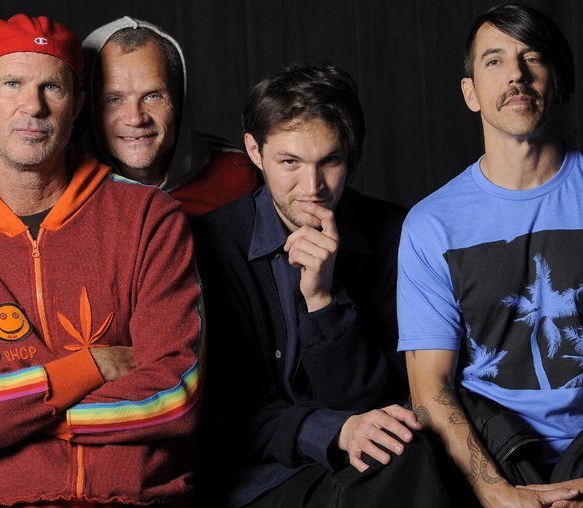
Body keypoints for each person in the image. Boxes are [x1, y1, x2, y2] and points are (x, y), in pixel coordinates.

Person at [0, 14, 202, 507]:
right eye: (12, 84)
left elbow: (175, 398)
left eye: (52, 86)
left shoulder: (149, 218)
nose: (33, 106)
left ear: (78, 107)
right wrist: (94, 365)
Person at [398, 4, 583, 507]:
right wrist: (496, 494)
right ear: (470, 93)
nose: (516, 75)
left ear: (557, 80)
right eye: (494, 61)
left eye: (532, 57)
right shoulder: (430, 225)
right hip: (491, 448)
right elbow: (430, 388)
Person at [193, 63, 452, 507]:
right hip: (262, 481)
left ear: (349, 155)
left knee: (412, 452)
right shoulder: (209, 244)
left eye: (330, 161)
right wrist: (334, 430)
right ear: (254, 151)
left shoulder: (395, 235)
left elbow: (383, 401)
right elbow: (222, 415)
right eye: (289, 162)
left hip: (373, 469)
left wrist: (322, 299)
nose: (312, 188)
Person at [81, 16, 259, 218]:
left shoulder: (237, 173)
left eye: (152, 96)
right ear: (86, 107)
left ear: (178, 100)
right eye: (114, 99)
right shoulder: (64, 188)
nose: (136, 118)